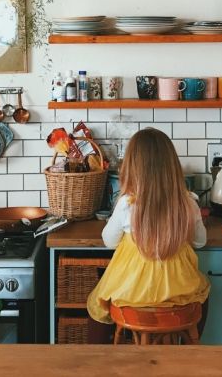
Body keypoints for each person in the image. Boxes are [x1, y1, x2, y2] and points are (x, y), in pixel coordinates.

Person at [86, 128, 210, 343]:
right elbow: (201, 241)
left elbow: (109, 241)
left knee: (97, 304)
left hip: (132, 291)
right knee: (202, 294)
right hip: (177, 290)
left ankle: (96, 360)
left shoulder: (127, 204)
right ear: (172, 166)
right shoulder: (188, 202)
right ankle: (193, 349)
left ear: (132, 168)